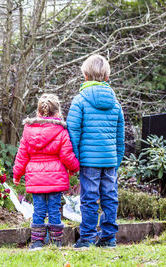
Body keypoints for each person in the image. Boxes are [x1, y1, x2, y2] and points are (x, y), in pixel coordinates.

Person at [66, 54, 125, 248]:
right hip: (109, 160)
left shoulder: (80, 100)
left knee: (89, 198)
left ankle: (88, 237)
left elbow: (73, 131)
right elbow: (120, 137)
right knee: (110, 197)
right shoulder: (116, 104)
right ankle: (108, 237)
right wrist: (116, 160)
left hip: (88, 161)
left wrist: (74, 158)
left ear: (85, 75)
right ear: (107, 77)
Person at [13, 94, 79, 250]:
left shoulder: (28, 131)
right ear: (57, 112)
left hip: (36, 179)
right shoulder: (61, 131)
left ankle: (37, 243)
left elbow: (22, 155)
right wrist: (75, 168)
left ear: (38, 112)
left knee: (39, 210)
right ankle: (56, 242)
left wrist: (17, 175)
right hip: (56, 179)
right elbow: (66, 155)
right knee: (54, 210)